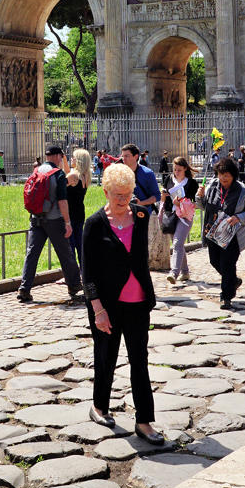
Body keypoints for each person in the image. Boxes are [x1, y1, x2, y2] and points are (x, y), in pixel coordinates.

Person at [82, 162, 163, 445]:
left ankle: (144, 421)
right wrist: (98, 310)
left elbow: (160, 230)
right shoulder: (93, 224)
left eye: (127, 194)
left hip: (139, 302)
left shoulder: (140, 215)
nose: (122, 200)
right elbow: (87, 273)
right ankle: (99, 406)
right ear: (105, 191)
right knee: (106, 358)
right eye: (117, 194)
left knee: (139, 362)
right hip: (108, 305)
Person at [17, 145, 82, 304]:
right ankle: (74, 286)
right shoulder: (58, 174)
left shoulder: (36, 171)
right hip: (54, 220)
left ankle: (24, 289)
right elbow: (62, 201)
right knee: (65, 253)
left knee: (32, 254)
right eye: (61, 157)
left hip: (35, 218)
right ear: (58, 156)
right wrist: (67, 222)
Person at [199, 157, 245, 309]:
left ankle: (226, 297)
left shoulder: (243, 192)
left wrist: (238, 217)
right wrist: (199, 196)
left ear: (233, 175)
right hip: (213, 231)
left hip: (233, 236)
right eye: (220, 174)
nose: (223, 178)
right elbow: (203, 206)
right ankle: (233, 281)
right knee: (214, 261)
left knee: (227, 264)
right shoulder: (212, 186)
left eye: (227, 175)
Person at [161, 155, 199, 285]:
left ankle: (174, 273)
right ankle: (185, 271)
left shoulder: (192, 183)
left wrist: (180, 203)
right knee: (179, 244)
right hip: (171, 216)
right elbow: (165, 198)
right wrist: (164, 196)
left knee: (177, 244)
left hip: (185, 216)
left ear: (185, 169)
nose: (176, 172)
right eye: (174, 169)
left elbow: (192, 201)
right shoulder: (168, 179)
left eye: (179, 170)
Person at [66, 147, 92, 270]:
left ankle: (72, 273)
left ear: (79, 160)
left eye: (73, 157)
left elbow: (60, 188)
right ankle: (84, 270)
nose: (71, 159)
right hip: (80, 211)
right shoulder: (85, 176)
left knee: (70, 244)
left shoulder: (73, 176)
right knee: (79, 243)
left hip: (70, 213)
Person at [120, 143, 161, 212]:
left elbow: (157, 196)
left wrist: (141, 203)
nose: (123, 159)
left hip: (144, 213)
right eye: (122, 156)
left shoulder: (147, 173)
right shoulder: (119, 173)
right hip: (125, 214)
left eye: (126, 156)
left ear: (135, 157)